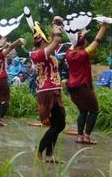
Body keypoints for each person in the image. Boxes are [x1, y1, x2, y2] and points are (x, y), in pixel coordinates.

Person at [28, 17, 65, 163]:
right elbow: (56, 41)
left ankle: (49, 155)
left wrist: (56, 26)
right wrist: (56, 24)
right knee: (59, 124)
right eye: (46, 40)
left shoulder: (45, 52)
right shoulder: (38, 54)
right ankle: (39, 149)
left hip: (52, 89)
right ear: (41, 42)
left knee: (57, 124)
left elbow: (55, 41)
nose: (48, 41)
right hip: (48, 91)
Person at [66, 22, 109, 145]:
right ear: (83, 43)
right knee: (94, 111)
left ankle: (80, 136)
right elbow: (97, 40)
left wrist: (81, 34)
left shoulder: (69, 54)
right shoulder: (83, 54)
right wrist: (104, 26)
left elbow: (72, 44)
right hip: (83, 87)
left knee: (83, 111)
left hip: (72, 88)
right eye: (84, 40)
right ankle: (87, 136)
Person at [0, 38, 26, 126]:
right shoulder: (1, 54)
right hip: (2, 78)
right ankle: (0, 119)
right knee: (5, 99)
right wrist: (17, 40)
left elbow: (7, 47)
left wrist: (5, 44)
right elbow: (11, 46)